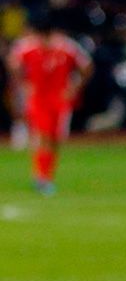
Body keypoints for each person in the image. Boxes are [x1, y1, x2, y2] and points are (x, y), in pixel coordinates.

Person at [6, 14, 92, 195]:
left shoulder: (66, 47)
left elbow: (86, 67)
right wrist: (24, 84)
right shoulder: (27, 47)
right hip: (38, 99)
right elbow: (12, 64)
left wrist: (74, 87)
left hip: (59, 100)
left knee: (54, 139)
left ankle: (46, 175)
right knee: (43, 135)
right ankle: (42, 178)